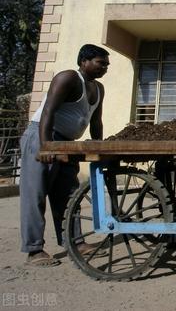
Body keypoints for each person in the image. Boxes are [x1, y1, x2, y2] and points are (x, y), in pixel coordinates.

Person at [19, 44, 110, 267]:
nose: (105, 68)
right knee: (36, 194)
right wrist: (46, 146)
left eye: (107, 65)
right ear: (84, 61)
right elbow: (48, 111)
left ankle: (74, 242)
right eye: (101, 63)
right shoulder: (68, 78)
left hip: (67, 144)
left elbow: (95, 121)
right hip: (42, 136)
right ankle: (34, 250)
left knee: (68, 195)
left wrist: (98, 146)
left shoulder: (98, 89)